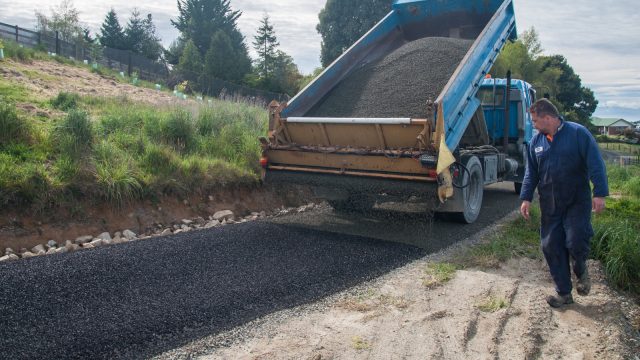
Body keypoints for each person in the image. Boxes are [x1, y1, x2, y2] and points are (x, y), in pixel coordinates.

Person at [520, 98, 608, 308]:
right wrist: (525, 198)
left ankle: (580, 269)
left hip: (577, 201)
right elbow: (531, 173)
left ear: (548, 117)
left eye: (535, 120)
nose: (533, 124)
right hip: (550, 204)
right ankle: (564, 293)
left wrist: (600, 193)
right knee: (551, 245)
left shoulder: (578, 134)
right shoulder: (536, 143)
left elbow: (595, 163)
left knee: (576, 240)